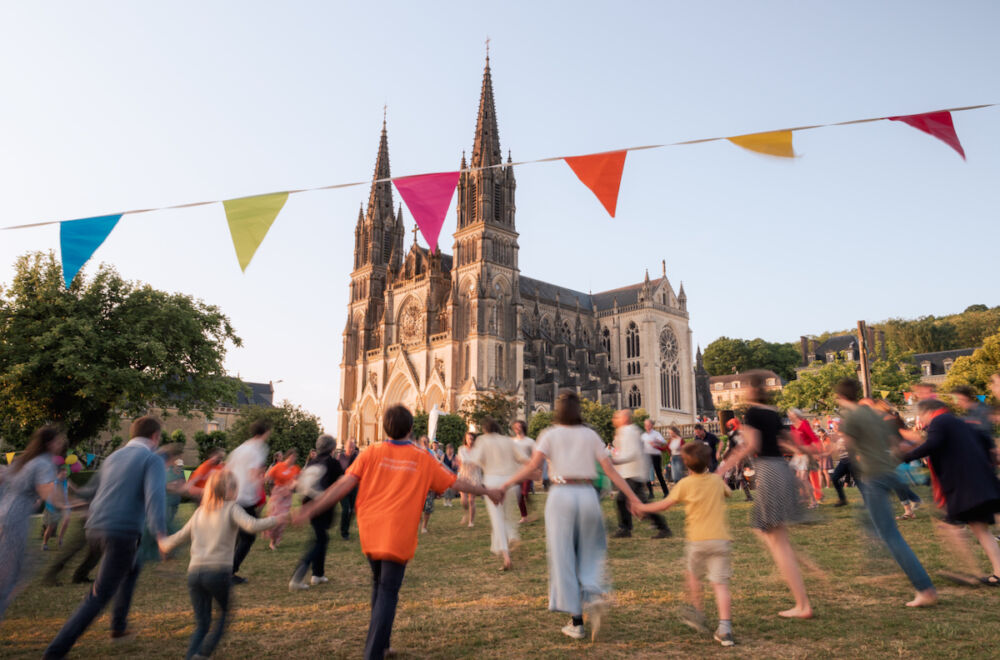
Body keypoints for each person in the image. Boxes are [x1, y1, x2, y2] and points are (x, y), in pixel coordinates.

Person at [294, 404, 501, 660]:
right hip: (398, 534)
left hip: (371, 532)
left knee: (379, 586)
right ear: (412, 428)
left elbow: (343, 485)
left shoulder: (371, 452)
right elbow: (456, 481)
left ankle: (382, 644)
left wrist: (311, 507)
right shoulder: (422, 457)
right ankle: (373, 653)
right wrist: (488, 491)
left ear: (384, 427)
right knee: (388, 591)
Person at [502, 389, 644, 642]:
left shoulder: (549, 434)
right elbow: (610, 470)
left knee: (563, 557)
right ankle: (594, 593)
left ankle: (577, 621)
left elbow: (532, 468)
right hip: (587, 494)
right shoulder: (590, 434)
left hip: (561, 495)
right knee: (590, 551)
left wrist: (503, 486)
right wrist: (633, 497)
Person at [44, 416, 168, 658]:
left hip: (94, 528)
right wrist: (161, 534)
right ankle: (54, 653)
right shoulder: (151, 459)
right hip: (120, 532)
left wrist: (78, 502)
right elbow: (155, 497)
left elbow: (91, 489)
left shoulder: (113, 457)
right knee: (98, 596)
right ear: (155, 436)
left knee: (132, 567)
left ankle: (118, 627)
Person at [160, 469, 289, 659]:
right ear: (228, 490)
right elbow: (252, 525)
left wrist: (163, 543)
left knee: (202, 624)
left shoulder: (200, 512)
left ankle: (193, 656)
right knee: (224, 614)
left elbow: (179, 537)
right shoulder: (231, 508)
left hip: (194, 574)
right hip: (217, 572)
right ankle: (203, 653)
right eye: (235, 487)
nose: (237, 492)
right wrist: (276, 519)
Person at [716, 375, 812, 618]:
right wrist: (807, 451)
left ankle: (802, 604)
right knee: (764, 529)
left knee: (776, 539)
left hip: (769, 471)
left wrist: (723, 467)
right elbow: (789, 442)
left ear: (752, 391)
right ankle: (795, 562)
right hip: (781, 468)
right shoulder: (772, 412)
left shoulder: (754, 414)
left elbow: (750, 446)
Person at [835, 379, 937, 607]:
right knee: (873, 522)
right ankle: (877, 557)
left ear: (840, 397)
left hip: (874, 477)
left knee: (890, 534)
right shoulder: (874, 414)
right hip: (890, 470)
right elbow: (895, 443)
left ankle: (925, 589)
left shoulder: (851, 417)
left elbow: (846, 446)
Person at [634, 441, 735, 647]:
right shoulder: (716, 481)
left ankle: (697, 611)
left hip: (697, 541)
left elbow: (665, 504)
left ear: (686, 465)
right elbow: (729, 492)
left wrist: (643, 507)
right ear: (708, 462)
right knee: (720, 585)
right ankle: (725, 628)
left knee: (692, 576)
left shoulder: (684, 485)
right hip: (720, 540)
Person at [900, 398, 1000, 586]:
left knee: (951, 526)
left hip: (966, 486)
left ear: (929, 412)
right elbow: (986, 442)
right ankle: (996, 572)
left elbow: (933, 444)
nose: (922, 421)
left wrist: (906, 456)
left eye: (921, 416)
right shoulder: (960, 422)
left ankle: (970, 571)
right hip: (980, 482)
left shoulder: (940, 421)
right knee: (980, 529)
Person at [0, 425, 64, 621]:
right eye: (59, 440)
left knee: (10, 569)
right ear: (50, 443)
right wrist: (81, 504)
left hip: (5, 513)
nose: (61, 443)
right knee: (10, 574)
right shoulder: (44, 463)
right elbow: (51, 497)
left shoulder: (25, 461)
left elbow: (3, 476)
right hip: (16, 518)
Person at [464, 417, 529, 570]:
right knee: (508, 516)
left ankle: (506, 557)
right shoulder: (508, 440)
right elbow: (523, 458)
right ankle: (512, 535)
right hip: (510, 482)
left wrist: (467, 475)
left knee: (497, 519)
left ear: (485, 429)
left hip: (493, 482)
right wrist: (534, 468)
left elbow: (474, 461)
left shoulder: (483, 440)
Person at [290, 435, 344, 590]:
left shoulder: (311, 463)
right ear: (332, 448)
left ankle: (318, 574)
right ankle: (297, 577)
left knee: (321, 538)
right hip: (322, 504)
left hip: (307, 502)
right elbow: (342, 482)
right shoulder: (332, 463)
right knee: (320, 540)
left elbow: (301, 483)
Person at [610, 410, 671, 539]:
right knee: (635, 502)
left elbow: (634, 453)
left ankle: (627, 528)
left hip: (634, 473)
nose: (614, 419)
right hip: (630, 473)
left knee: (630, 502)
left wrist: (616, 460)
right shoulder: (624, 432)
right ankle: (628, 528)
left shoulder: (630, 432)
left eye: (617, 417)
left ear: (625, 419)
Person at [227, 419, 271, 584]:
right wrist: (262, 491)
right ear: (265, 432)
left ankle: (224, 568)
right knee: (248, 536)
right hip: (246, 498)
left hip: (233, 496)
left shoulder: (240, 448)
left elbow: (228, 469)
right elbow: (254, 474)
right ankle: (230, 571)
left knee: (235, 536)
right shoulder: (258, 449)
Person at [264, 450, 299, 550]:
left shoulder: (295, 469)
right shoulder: (278, 466)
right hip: (277, 494)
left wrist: (292, 486)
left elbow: (297, 481)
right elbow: (267, 477)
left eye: (294, 458)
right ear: (287, 457)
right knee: (274, 517)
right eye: (291, 457)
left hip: (287, 496)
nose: (293, 459)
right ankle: (271, 539)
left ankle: (274, 540)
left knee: (282, 520)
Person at [788, 410, 823, 504]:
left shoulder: (804, 423)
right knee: (797, 478)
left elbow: (813, 437)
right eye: (789, 415)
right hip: (798, 454)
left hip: (806, 453)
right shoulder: (792, 427)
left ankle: (813, 501)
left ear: (796, 415)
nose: (789, 416)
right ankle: (804, 497)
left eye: (791, 414)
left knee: (803, 478)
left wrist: (817, 452)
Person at [42, 464, 72, 551]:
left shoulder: (66, 482)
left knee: (66, 520)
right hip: (53, 506)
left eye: (65, 474)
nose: (64, 476)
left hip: (64, 505)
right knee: (51, 527)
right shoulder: (53, 483)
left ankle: (60, 538)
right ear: (57, 474)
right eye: (63, 474)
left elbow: (67, 492)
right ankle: (45, 543)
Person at [457, 431, 483, 528]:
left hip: (474, 476)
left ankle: (471, 522)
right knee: (463, 500)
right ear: (465, 439)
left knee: (471, 500)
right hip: (464, 475)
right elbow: (460, 462)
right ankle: (466, 512)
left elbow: (479, 463)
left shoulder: (478, 450)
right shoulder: (461, 449)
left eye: (472, 439)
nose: (470, 441)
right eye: (468, 439)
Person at [512, 420, 536, 522]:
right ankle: (524, 517)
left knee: (524, 493)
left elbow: (535, 455)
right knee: (518, 495)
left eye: (519, 426)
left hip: (527, 471)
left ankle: (530, 504)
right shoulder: (512, 441)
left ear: (523, 428)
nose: (517, 428)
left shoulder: (530, 441)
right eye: (516, 427)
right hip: (516, 471)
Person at [640, 419, 670, 498]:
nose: (646, 426)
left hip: (655, 455)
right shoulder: (643, 435)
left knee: (659, 474)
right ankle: (650, 493)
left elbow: (664, 442)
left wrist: (656, 442)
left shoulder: (656, 433)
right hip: (646, 455)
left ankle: (666, 492)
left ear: (652, 425)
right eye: (645, 425)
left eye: (648, 425)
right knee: (646, 475)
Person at [338, 439, 360, 539]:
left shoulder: (357, 458)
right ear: (345, 447)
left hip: (354, 487)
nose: (351, 449)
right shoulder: (340, 457)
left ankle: (346, 526)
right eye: (350, 447)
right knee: (346, 509)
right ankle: (344, 531)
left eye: (353, 447)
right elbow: (337, 471)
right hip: (342, 487)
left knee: (353, 511)